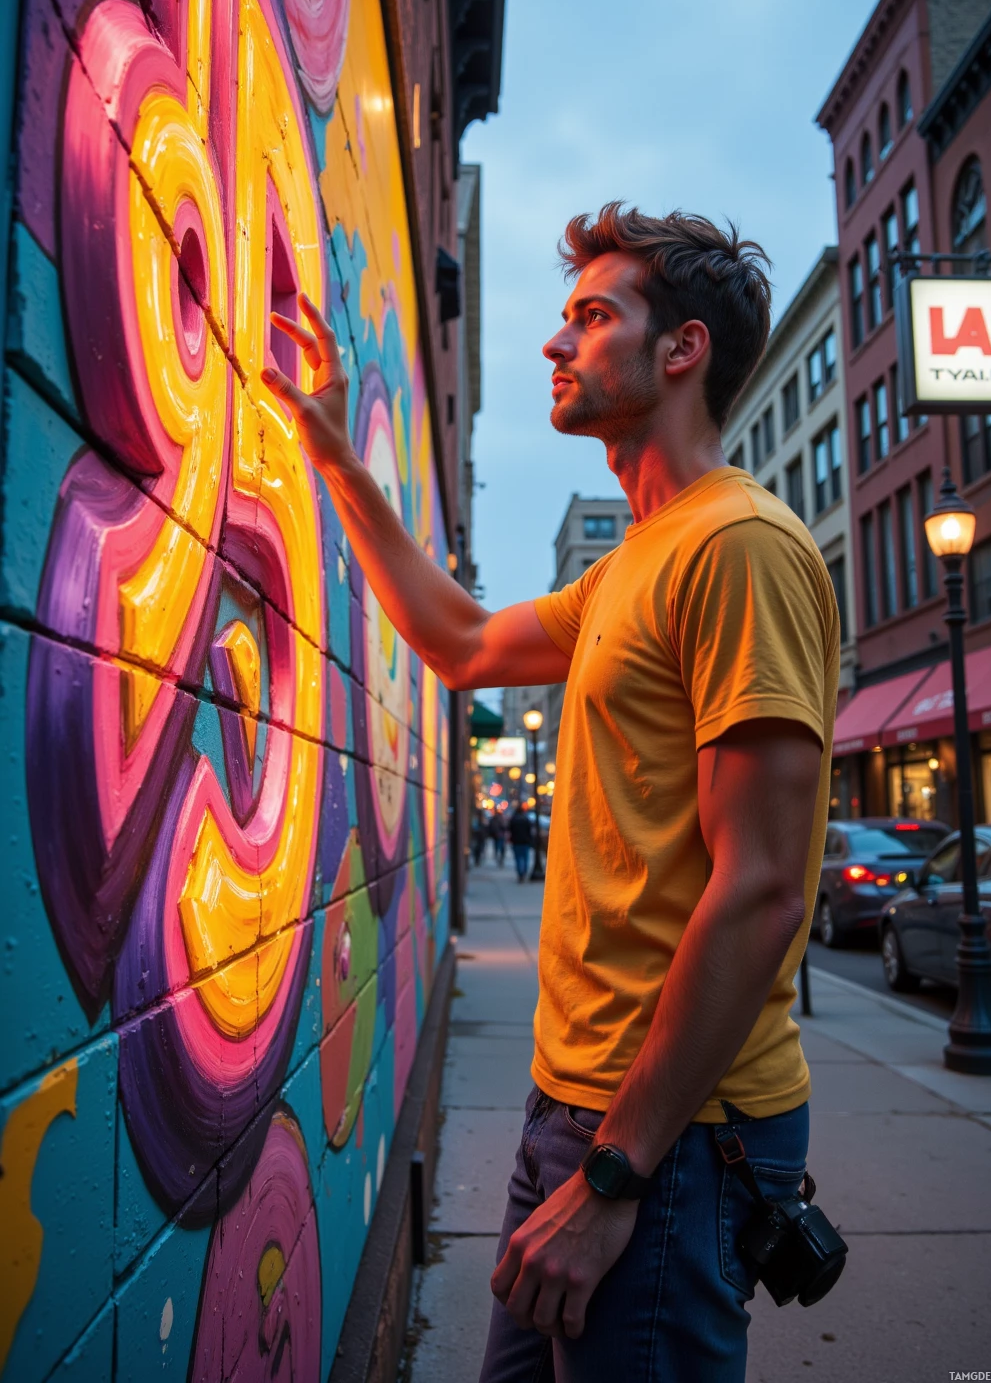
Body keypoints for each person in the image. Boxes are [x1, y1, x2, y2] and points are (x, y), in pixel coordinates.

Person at [266, 204, 839, 1382]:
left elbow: (764, 892)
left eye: (591, 315)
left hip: (674, 1140)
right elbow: (464, 643)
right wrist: (334, 457)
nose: (554, 340)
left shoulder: (738, 545)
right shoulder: (634, 561)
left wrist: (615, 1173)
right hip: (577, 1111)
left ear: (679, 350)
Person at [508, 804, 534, 882]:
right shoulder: (526, 819)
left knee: (518, 858)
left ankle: (520, 873)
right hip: (525, 841)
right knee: (525, 858)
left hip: (516, 841)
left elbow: (510, 830)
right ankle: (524, 872)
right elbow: (529, 831)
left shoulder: (514, 819)